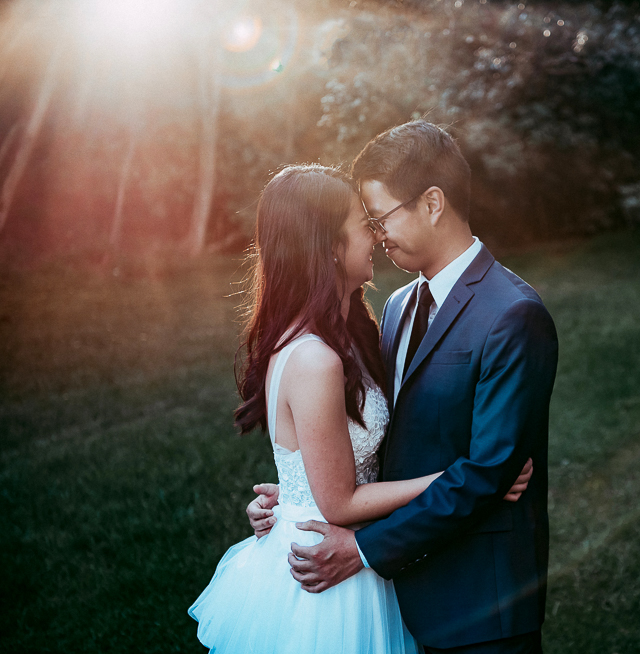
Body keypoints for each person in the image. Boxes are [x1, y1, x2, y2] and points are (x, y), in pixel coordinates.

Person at [188, 164, 532, 653]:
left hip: (374, 555)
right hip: (329, 575)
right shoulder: (313, 357)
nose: (375, 236)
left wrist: (289, 493)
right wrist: (473, 477)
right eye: (363, 224)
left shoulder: (359, 328)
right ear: (330, 246)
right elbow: (339, 503)